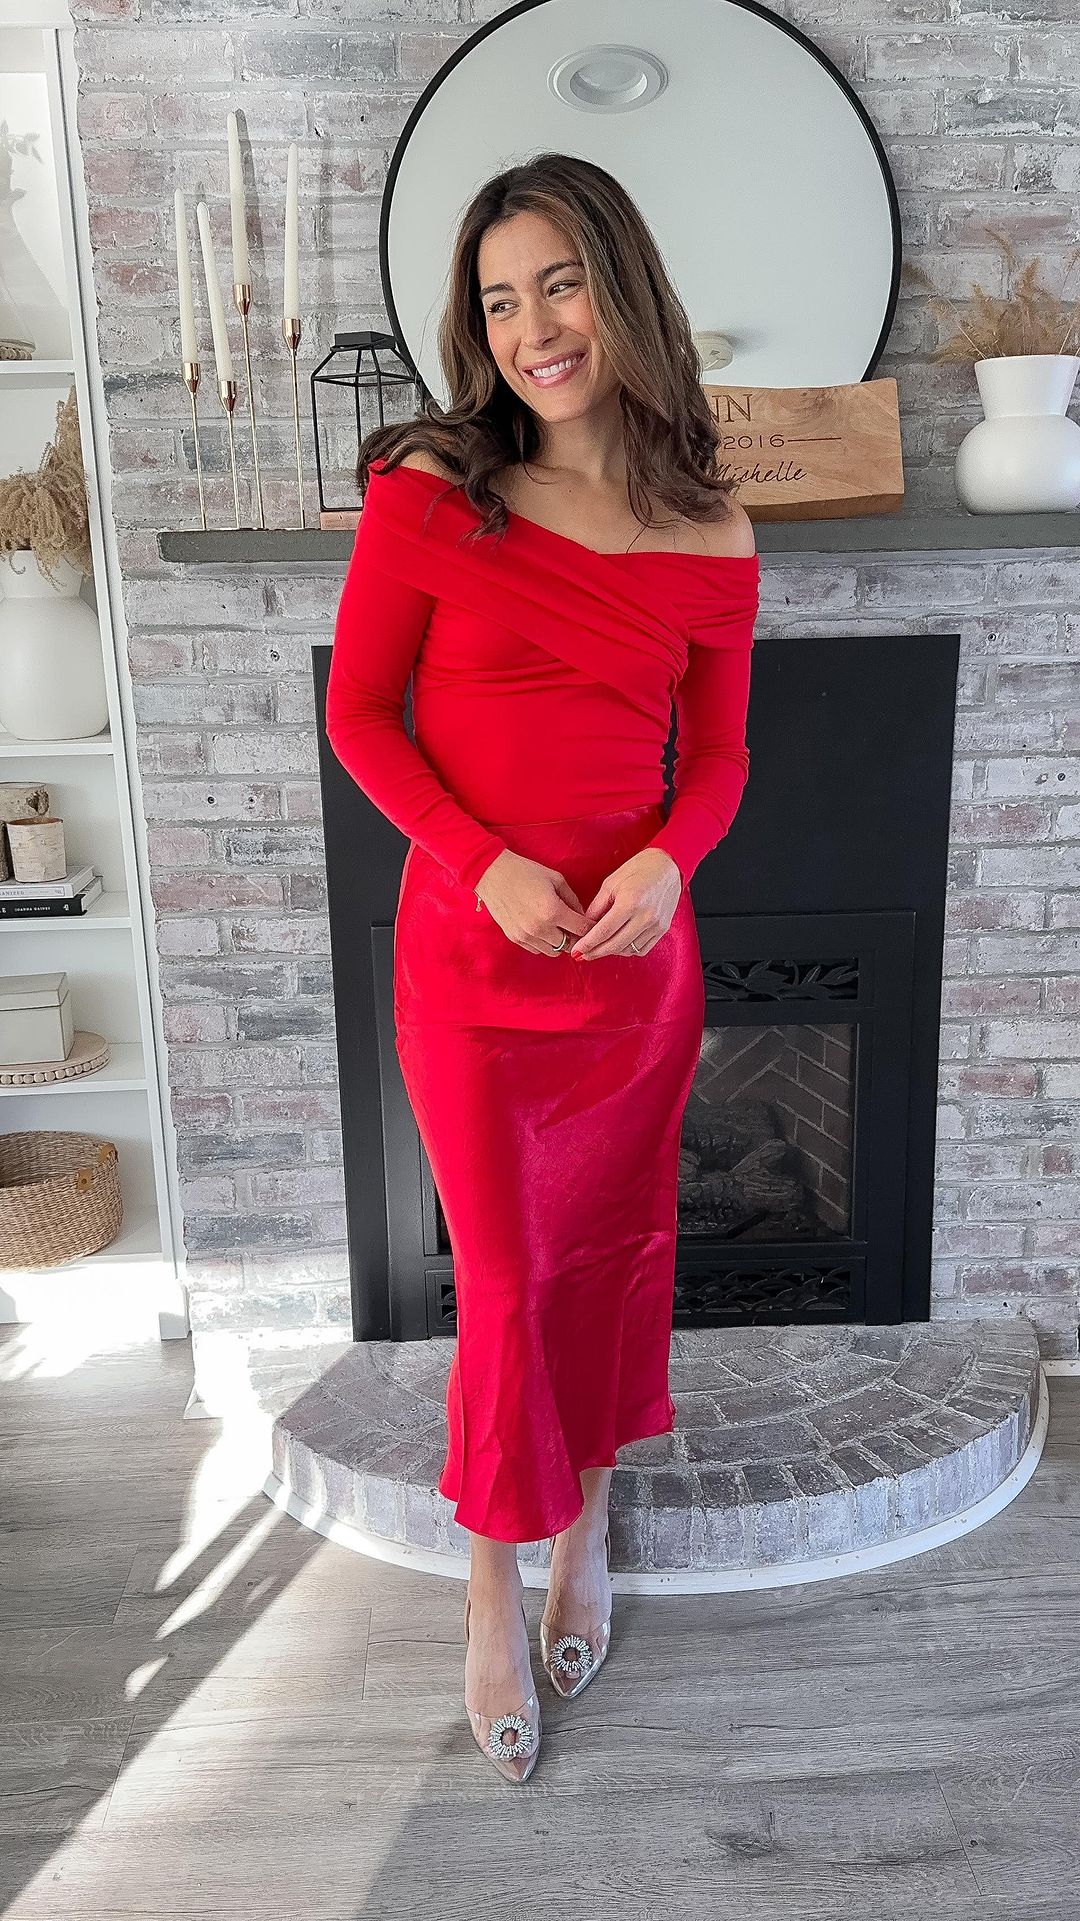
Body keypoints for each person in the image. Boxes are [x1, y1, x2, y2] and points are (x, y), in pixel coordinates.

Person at [325, 151, 759, 1784]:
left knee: (611, 1256)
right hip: (474, 964)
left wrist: (671, 858)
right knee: (508, 1280)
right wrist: (479, 857)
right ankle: (491, 1584)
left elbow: (720, 757)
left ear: (620, 286)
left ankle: (585, 1529)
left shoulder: (710, 525)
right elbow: (361, 714)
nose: (533, 329)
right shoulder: (435, 493)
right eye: (501, 301)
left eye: (560, 283)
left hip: (634, 975)